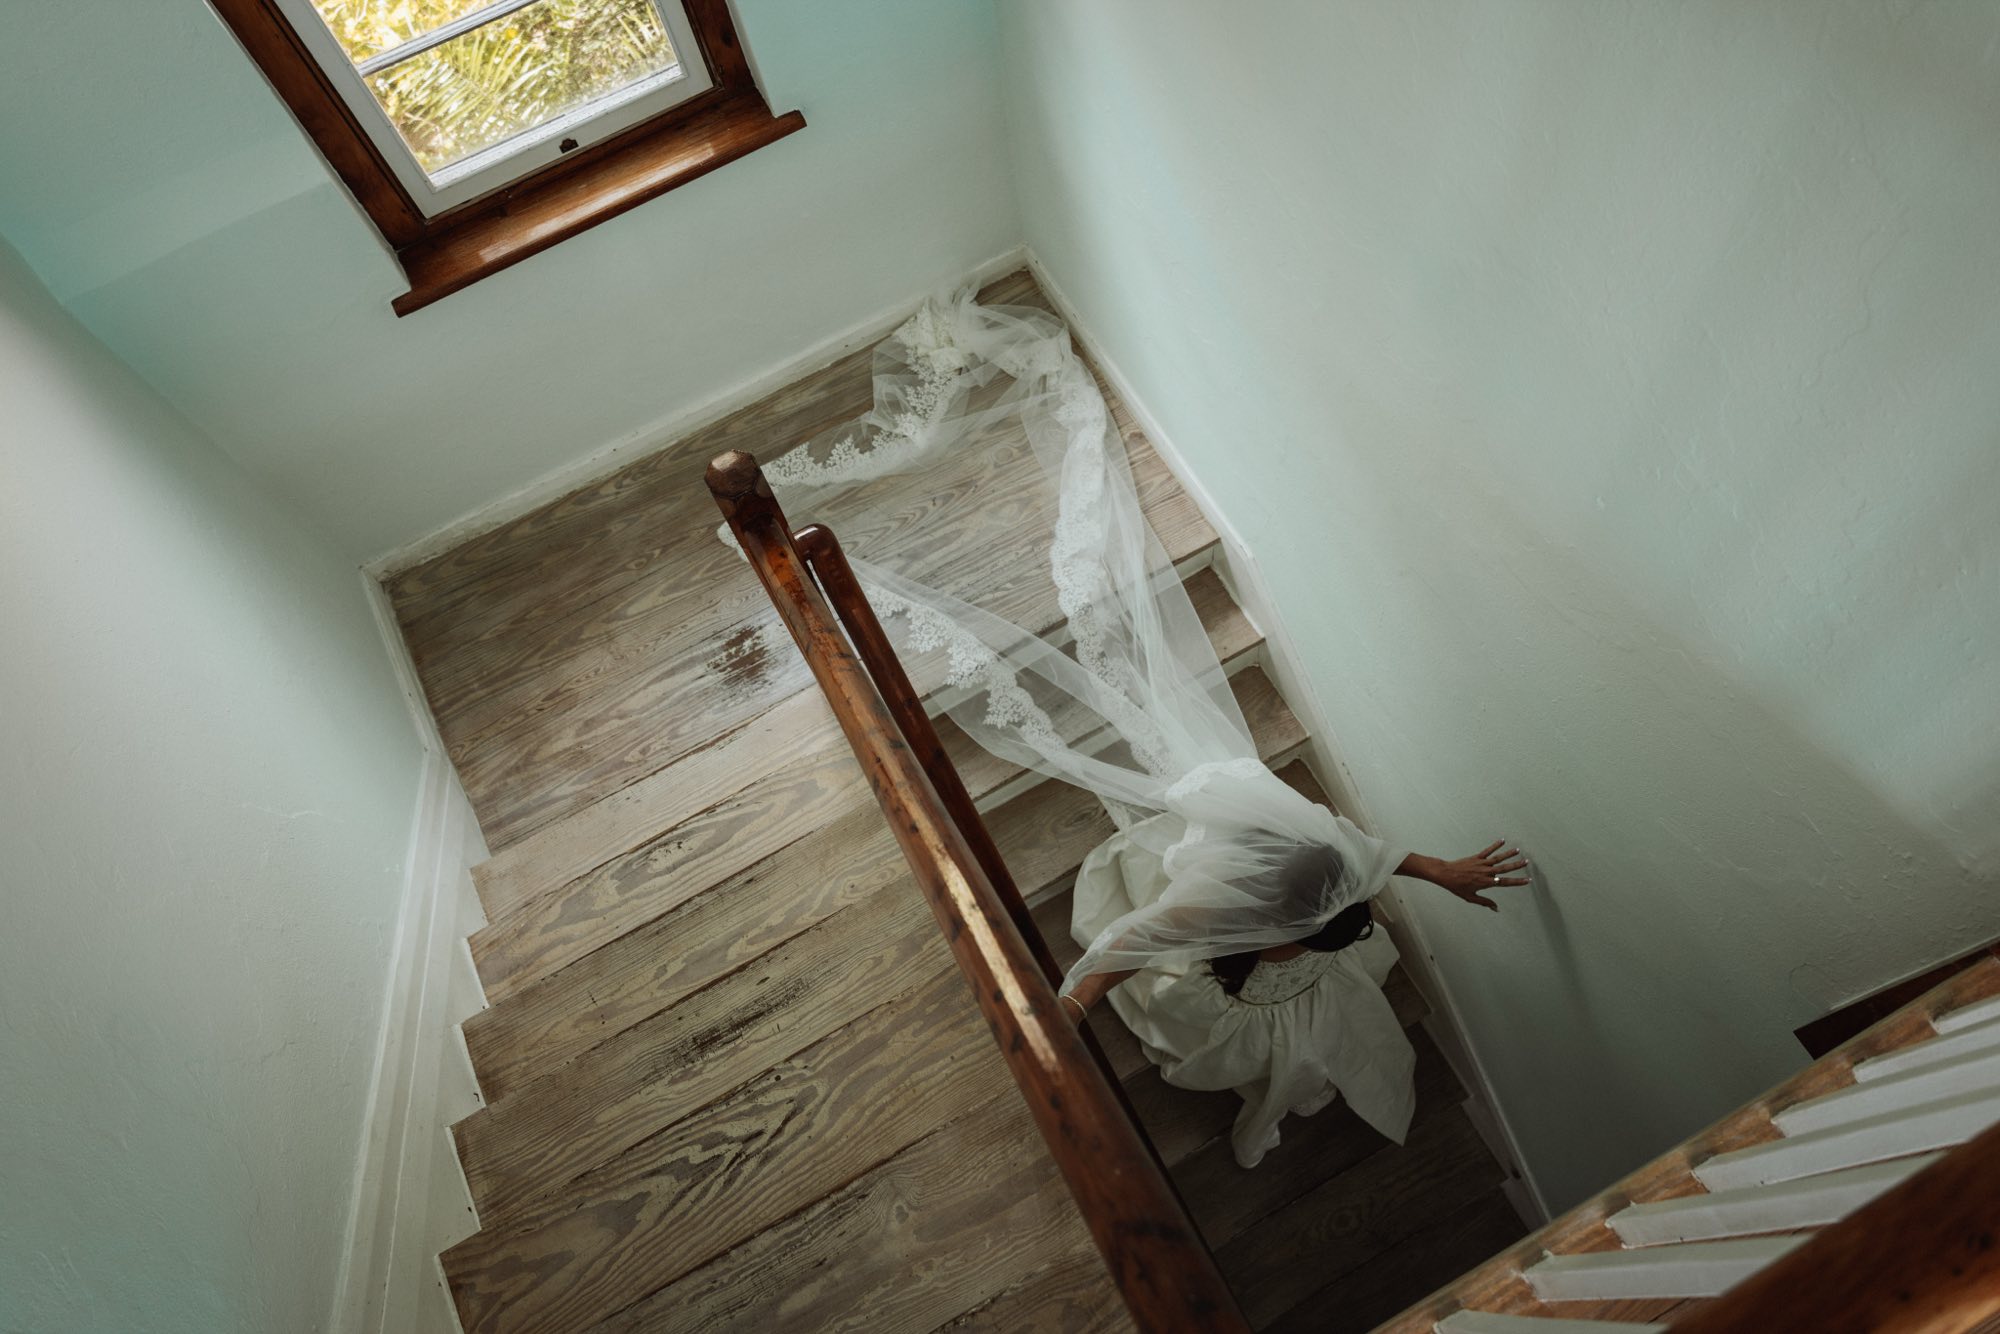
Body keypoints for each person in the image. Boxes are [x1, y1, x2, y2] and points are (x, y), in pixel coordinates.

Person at [1059, 823, 1528, 1168]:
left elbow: (1367, 852)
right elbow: (1133, 947)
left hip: (1313, 982)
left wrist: (1440, 870)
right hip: (1244, 996)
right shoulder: (1219, 912)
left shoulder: (1331, 862)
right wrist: (1077, 1002)